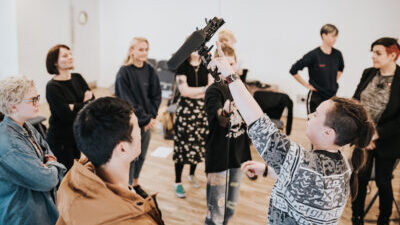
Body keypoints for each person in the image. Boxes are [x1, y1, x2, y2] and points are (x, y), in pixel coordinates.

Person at [210, 42, 375, 225]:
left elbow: (259, 123)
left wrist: (230, 76)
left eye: (316, 114)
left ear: (328, 133)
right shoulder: (343, 163)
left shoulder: (304, 163)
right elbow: (304, 183)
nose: (310, 115)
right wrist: (266, 170)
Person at [56, 97, 164, 225]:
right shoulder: (137, 221)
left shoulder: (72, 182)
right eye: (137, 128)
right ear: (122, 148)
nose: (141, 132)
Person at [0, 76, 66, 225]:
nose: (38, 103)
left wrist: (47, 164)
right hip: (22, 216)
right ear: (13, 106)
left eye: (37, 98)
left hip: (39, 208)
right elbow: (47, 180)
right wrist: (48, 165)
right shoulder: (9, 145)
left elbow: (48, 152)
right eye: (32, 100)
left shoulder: (26, 125)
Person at [351, 37, 400, 225]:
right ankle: (356, 217)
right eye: (372, 52)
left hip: (388, 140)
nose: (373, 56)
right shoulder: (368, 73)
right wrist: (363, 132)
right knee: (359, 179)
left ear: (393, 55)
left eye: (378, 53)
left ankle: (384, 219)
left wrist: (376, 134)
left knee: (383, 181)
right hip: (363, 137)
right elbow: (356, 101)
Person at [203, 44, 251, 224]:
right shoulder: (213, 91)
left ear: (237, 65)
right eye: (224, 65)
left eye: (231, 64)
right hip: (219, 159)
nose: (228, 69)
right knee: (216, 212)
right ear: (216, 67)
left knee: (230, 209)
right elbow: (220, 121)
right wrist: (225, 112)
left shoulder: (240, 87)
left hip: (237, 157)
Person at [115, 37, 161, 198]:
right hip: (131, 124)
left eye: (146, 49)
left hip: (146, 123)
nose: (144, 53)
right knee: (131, 157)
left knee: (141, 155)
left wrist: (151, 118)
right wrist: (144, 119)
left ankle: (135, 183)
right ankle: (127, 188)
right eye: (141, 49)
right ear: (131, 51)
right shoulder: (124, 72)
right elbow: (127, 101)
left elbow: (156, 96)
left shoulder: (150, 71)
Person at [46, 44, 94, 171]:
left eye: (70, 54)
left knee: (75, 171)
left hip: (76, 135)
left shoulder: (77, 77)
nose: (70, 57)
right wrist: (84, 103)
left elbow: (92, 102)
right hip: (60, 139)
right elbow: (66, 116)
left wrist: (74, 106)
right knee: (66, 175)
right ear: (55, 62)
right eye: (65, 55)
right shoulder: (52, 87)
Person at [173, 51, 213, 198]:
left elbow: (211, 89)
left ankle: (192, 174)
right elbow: (184, 92)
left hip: (202, 111)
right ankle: (177, 181)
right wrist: (203, 90)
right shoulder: (181, 67)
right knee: (182, 146)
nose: (195, 50)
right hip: (186, 111)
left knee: (198, 144)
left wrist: (194, 92)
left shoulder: (206, 66)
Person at [289, 24, 344, 114]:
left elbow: (340, 69)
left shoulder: (337, 54)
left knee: (329, 124)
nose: (335, 39)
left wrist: (332, 81)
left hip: (332, 96)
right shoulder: (313, 55)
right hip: (316, 96)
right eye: (333, 36)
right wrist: (306, 85)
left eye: (336, 36)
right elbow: (293, 70)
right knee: (313, 124)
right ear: (324, 35)